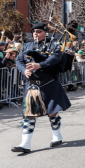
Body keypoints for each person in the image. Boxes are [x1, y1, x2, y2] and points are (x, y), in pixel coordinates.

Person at [11, 23, 71, 153]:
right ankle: (25, 144)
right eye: (33, 31)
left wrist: (40, 65)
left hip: (49, 83)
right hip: (32, 85)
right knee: (29, 114)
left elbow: (56, 58)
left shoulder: (54, 44)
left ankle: (57, 136)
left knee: (52, 113)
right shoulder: (27, 45)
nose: (35, 33)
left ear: (45, 32)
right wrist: (24, 71)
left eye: (38, 31)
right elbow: (19, 61)